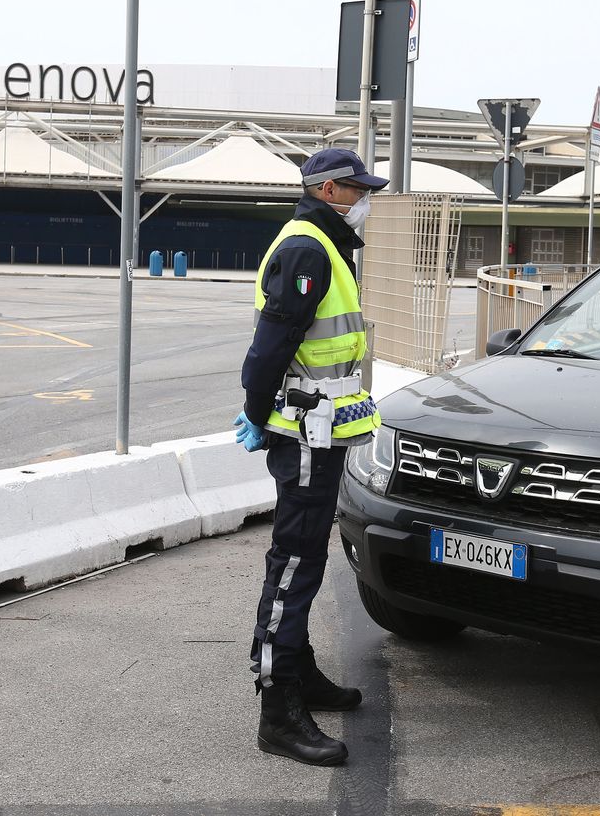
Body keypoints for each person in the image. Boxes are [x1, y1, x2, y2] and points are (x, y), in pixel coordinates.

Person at [232, 147, 386, 766]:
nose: (364, 199)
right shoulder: (306, 249)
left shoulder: (324, 245)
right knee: (294, 567)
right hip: (302, 437)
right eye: (356, 189)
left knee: (306, 562)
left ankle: (300, 673)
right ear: (327, 191)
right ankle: (278, 710)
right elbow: (270, 346)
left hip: (318, 435)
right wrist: (255, 410)